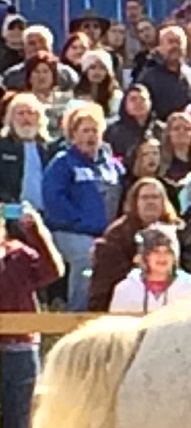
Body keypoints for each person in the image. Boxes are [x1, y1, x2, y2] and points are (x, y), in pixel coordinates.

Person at [40, 101, 121, 312]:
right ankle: (77, 314)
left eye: (95, 130)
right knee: (87, 257)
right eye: (85, 131)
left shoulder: (110, 166)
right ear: (73, 135)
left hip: (105, 232)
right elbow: (53, 198)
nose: (90, 136)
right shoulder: (63, 162)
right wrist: (80, 222)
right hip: (69, 231)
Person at [0, 202, 61, 428]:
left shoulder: (20, 255)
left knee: (19, 426)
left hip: (20, 344)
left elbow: (52, 272)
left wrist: (36, 230)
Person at [87, 177, 180, 313]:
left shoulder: (179, 231)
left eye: (155, 197)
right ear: (135, 202)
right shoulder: (117, 234)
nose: (150, 202)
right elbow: (105, 281)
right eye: (144, 198)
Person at [108, 224, 191, 314]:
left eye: (168, 251)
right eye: (156, 251)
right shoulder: (125, 289)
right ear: (145, 256)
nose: (162, 257)